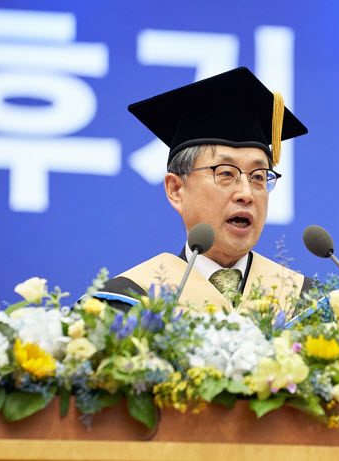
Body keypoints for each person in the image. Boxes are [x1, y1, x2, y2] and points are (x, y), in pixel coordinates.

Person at [94, 67, 315, 313]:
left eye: (259, 177)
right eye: (226, 174)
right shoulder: (124, 305)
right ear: (176, 189)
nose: (246, 193)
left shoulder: (306, 305)